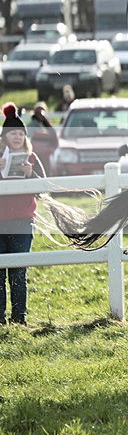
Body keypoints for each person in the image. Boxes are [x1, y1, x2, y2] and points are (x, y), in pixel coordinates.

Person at [0, 103, 46, 325]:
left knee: (18, 271)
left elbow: (44, 189)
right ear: (4, 136)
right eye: (12, 133)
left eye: (20, 133)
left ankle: (19, 317)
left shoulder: (32, 158)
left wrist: (30, 175)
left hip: (22, 221)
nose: (17, 137)